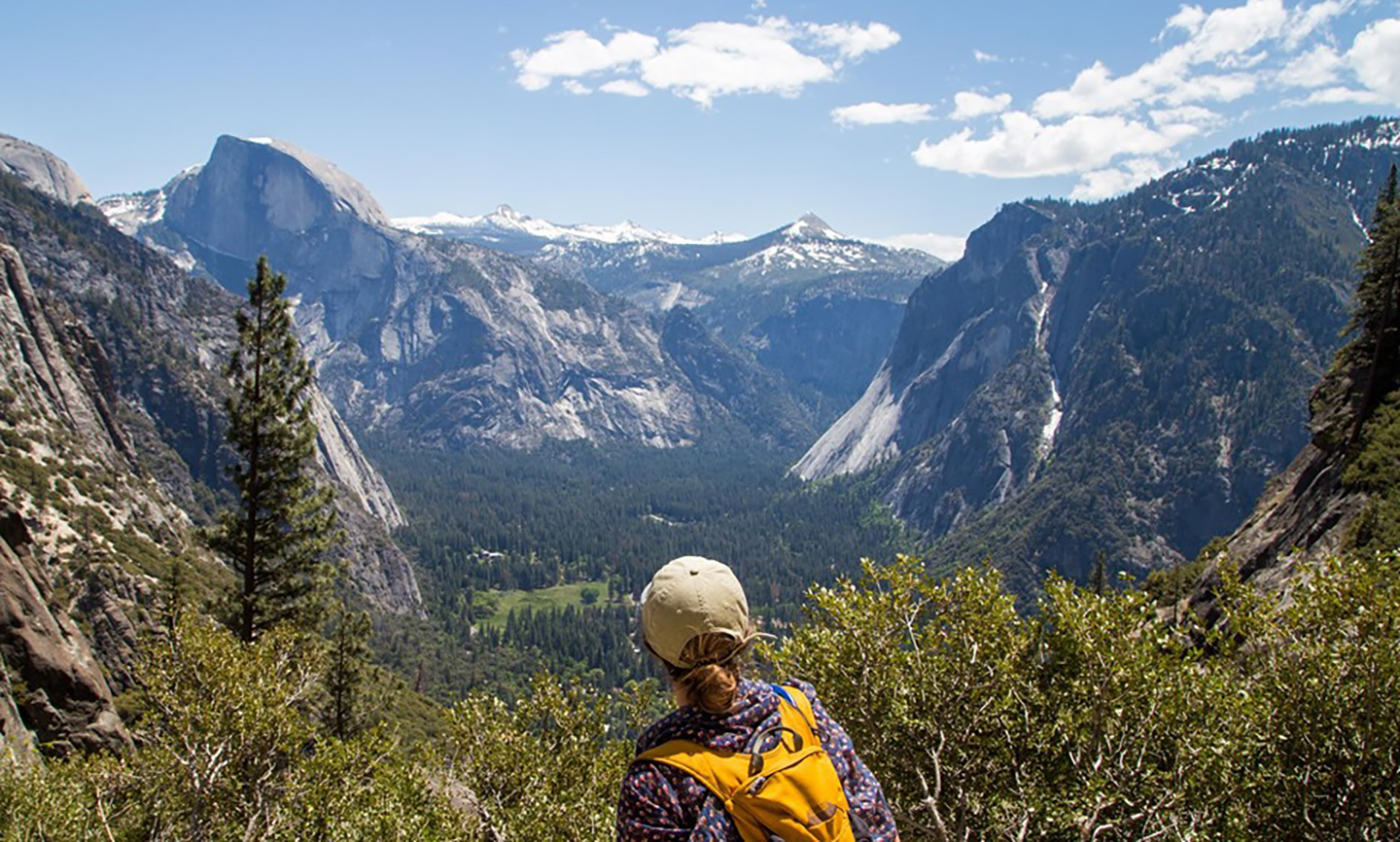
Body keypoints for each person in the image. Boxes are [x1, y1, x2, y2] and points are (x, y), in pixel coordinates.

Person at [617, 555, 899, 841]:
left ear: (653, 648)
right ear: (744, 633)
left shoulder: (656, 781)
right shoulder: (801, 711)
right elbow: (879, 825)